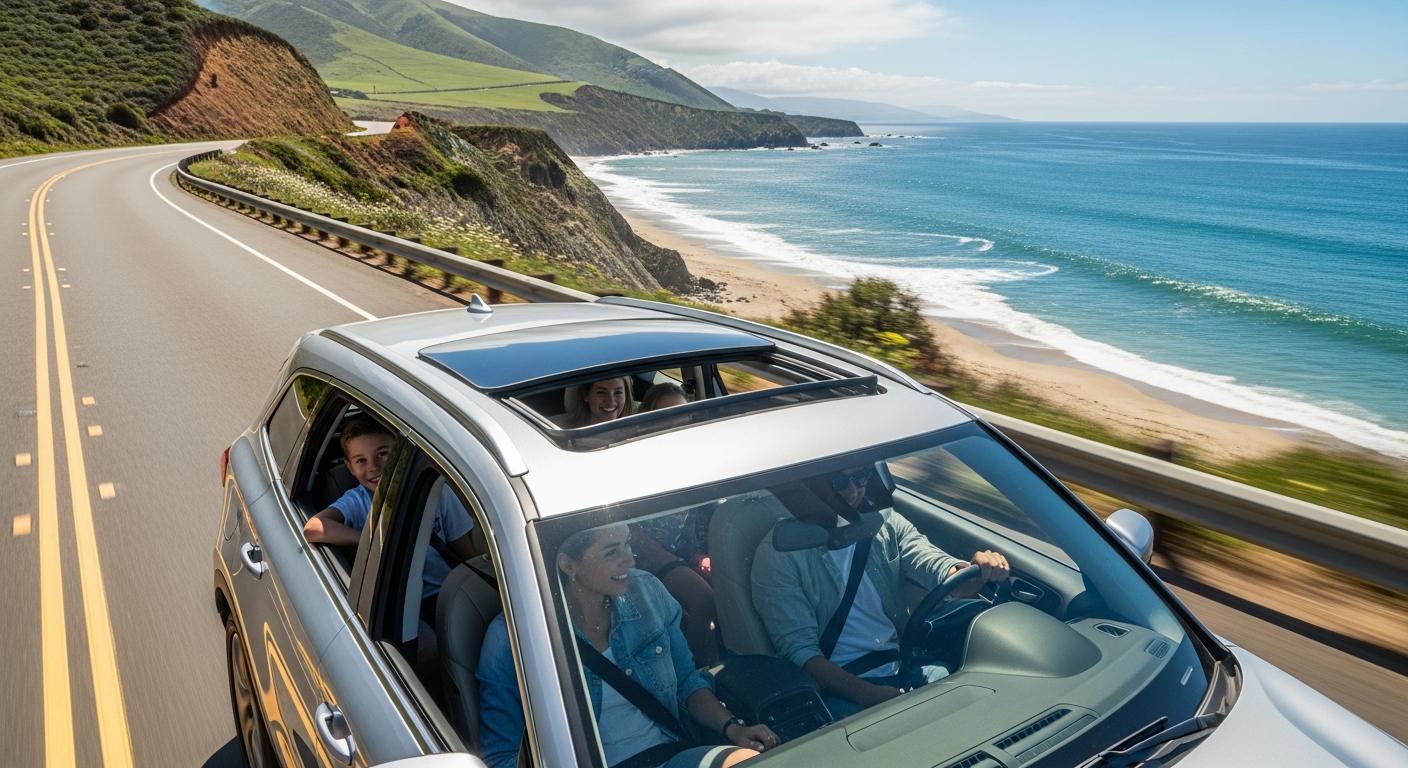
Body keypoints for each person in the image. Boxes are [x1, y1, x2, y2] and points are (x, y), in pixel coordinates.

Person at [477, 525, 776, 768]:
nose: (630, 560)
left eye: (628, 544)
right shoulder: (512, 639)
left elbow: (686, 682)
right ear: (568, 563)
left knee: (751, 762)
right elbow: (501, 757)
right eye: (612, 552)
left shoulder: (647, 593)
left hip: (668, 753)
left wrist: (733, 729)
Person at [751, 465, 1010, 719]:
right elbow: (799, 651)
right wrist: (867, 694)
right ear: (810, 485)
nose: (853, 492)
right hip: (840, 687)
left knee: (978, 705)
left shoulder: (886, 523)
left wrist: (972, 571)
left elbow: (934, 564)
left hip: (904, 664)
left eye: (861, 477)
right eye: (838, 482)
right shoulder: (779, 553)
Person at [304, 416, 475, 622]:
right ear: (350, 468)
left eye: (383, 454)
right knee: (428, 653)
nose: (373, 466)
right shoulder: (358, 501)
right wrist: (371, 542)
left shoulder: (435, 491)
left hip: (451, 593)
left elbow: (465, 550)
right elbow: (313, 527)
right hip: (404, 611)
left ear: (401, 453)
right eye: (361, 461)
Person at [562, 377, 635, 428]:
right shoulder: (565, 434)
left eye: (618, 392)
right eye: (601, 393)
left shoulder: (639, 428)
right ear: (586, 395)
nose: (611, 401)